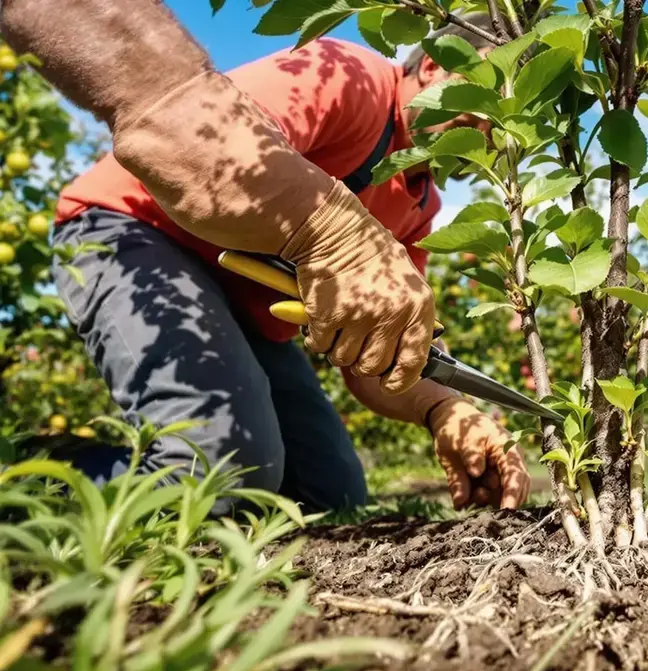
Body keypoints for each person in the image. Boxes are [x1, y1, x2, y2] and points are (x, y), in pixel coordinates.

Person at [1, 2, 530, 514]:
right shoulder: (346, 75)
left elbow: (373, 352)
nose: (487, 133)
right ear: (437, 64)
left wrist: (444, 408)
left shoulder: (418, 202)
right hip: (134, 231)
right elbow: (203, 148)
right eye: (484, 107)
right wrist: (331, 232)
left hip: (239, 300)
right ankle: (20, 480)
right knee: (218, 470)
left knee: (330, 494)